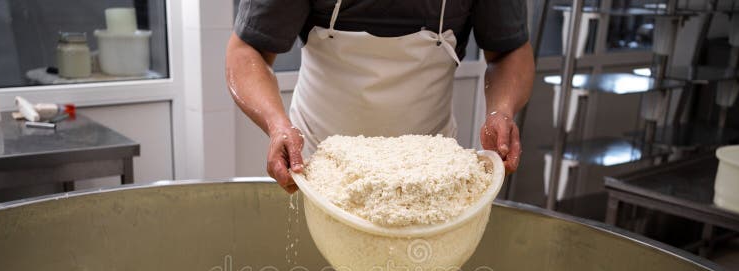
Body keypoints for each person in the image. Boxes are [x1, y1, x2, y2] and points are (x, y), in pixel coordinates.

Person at [226, 0, 534, 193]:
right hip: (319, 169)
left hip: (428, 180)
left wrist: (501, 111)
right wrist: (278, 126)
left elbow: (509, 51)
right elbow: (247, 50)